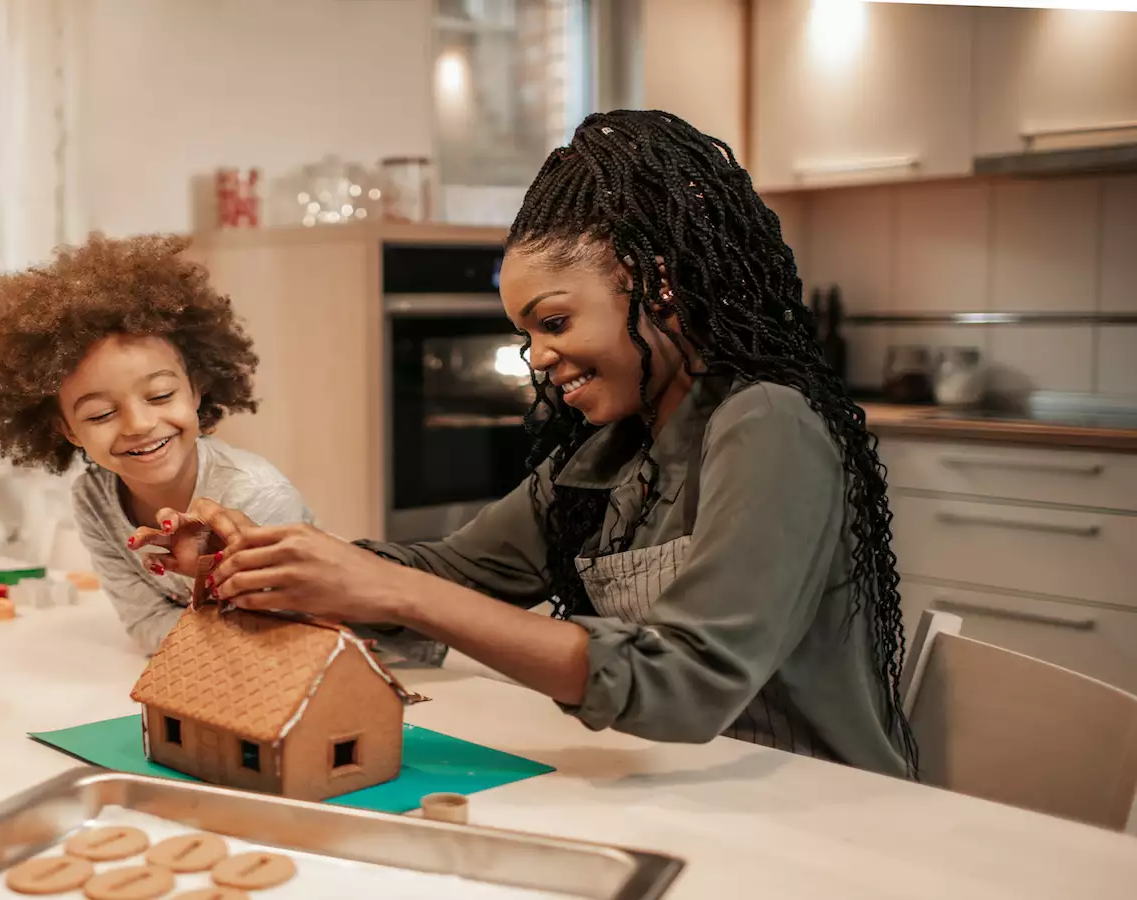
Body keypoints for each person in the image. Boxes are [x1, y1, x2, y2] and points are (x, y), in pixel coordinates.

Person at [136, 110, 916, 778]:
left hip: (817, 808)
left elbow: (686, 683)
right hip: (681, 785)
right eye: (527, 333)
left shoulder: (767, 423)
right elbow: (449, 571)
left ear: (660, 284)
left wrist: (395, 591)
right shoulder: (607, 457)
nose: (537, 356)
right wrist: (275, 562)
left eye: (554, 322)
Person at [0, 233, 313, 654]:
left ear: (196, 391)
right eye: (101, 415)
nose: (139, 425)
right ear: (68, 429)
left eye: (161, 395)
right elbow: (144, 623)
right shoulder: (93, 499)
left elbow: (275, 635)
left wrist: (194, 638)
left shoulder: (256, 495)